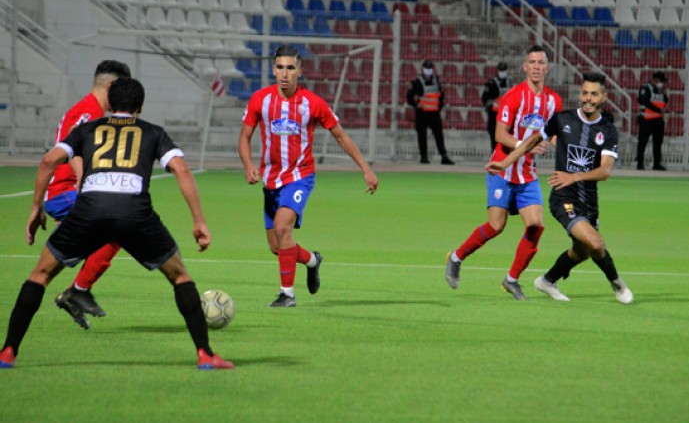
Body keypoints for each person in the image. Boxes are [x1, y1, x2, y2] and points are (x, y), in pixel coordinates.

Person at [0, 78, 233, 370]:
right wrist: (198, 220)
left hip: (88, 210)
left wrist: (36, 208)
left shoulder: (86, 129)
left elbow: (48, 161)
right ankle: (206, 355)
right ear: (140, 107)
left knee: (40, 275)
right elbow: (181, 169)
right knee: (180, 277)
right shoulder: (152, 131)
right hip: (134, 213)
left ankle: (7, 352)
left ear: (108, 105)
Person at [238, 44, 379, 308]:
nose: (284, 73)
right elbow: (244, 136)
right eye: (280, 67)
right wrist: (248, 165)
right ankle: (312, 260)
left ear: (300, 71)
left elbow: (340, 136)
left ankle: (287, 295)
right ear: (273, 69)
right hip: (271, 181)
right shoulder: (261, 99)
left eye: (291, 68)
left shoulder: (312, 103)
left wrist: (365, 168)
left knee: (282, 228)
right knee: (278, 247)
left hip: (299, 177)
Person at [486, 72, 634, 305]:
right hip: (563, 198)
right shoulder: (562, 119)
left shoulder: (608, 130)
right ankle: (617, 283)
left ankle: (547, 280)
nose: (588, 98)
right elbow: (531, 141)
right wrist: (505, 162)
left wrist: (574, 176)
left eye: (594, 94)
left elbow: (605, 171)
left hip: (589, 201)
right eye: (585, 93)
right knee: (596, 243)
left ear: (603, 97)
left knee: (583, 251)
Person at [445, 46, 562, 300]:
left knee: (536, 225)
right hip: (502, 168)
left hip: (528, 173)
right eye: (532, 62)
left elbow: (553, 133)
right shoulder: (513, 96)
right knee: (496, 226)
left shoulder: (554, 101)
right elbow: (499, 135)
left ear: (547, 67)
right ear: (524, 66)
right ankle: (456, 257)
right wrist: (526, 144)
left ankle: (512, 279)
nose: (536, 67)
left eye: (541, 62)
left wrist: (556, 145)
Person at [47, 60, 131, 329]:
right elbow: (71, 143)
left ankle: (74, 291)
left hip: (71, 192)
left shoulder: (92, 109)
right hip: (65, 191)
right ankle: (77, 291)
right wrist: (85, 187)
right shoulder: (89, 112)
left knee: (109, 234)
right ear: (110, 86)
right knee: (118, 228)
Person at [406, 59, 454, 165]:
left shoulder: (436, 80)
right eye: (426, 68)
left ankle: (444, 156)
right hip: (422, 113)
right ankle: (424, 156)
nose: (428, 71)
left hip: (434, 113)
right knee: (422, 135)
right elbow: (409, 97)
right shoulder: (417, 82)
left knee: (439, 135)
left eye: (430, 68)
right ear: (422, 69)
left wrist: (439, 107)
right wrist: (416, 104)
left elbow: (441, 96)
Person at [635, 71, 669, 171]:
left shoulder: (660, 90)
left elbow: (663, 102)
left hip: (658, 120)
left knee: (658, 143)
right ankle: (640, 163)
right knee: (643, 142)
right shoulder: (645, 88)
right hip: (646, 119)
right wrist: (659, 110)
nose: (662, 83)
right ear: (656, 80)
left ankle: (657, 164)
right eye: (661, 81)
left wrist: (665, 96)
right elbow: (644, 101)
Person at [481, 61, 512, 151]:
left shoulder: (509, 82)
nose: (503, 72)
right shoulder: (492, 83)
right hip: (494, 114)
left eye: (504, 70)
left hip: (506, 114)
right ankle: (494, 154)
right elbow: (485, 98)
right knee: (494, 136)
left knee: (506, 136)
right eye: (501, 70)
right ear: (498, 70)